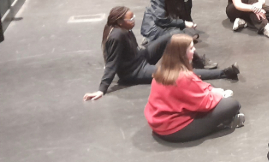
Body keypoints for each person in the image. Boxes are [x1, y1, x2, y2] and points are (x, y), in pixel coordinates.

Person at [83, 7, 240, 101]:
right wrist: (101, 90)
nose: (134, 20)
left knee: (172, 36)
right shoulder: (117, 36)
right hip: (135, 72)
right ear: (119, 21)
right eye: (130, 19)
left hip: (140, 57)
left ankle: (199, 63)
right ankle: (224, 73)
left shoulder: (124, 29)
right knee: (179, 73)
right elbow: (111, 64)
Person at [144, 34, 244, 142]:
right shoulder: (183, 77)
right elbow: (205, 104)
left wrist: (212, 91)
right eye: (191, 48)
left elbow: (197, 88)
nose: (194, 50)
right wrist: (220, 94)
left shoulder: (162, 70)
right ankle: (228, 119)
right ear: (182, 53)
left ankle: (227, 117)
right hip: (175, 129)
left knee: (211, 88)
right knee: (233, 104)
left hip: (159, 124)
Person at [141, 0, 217, 69]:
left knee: (190, 34)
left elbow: (186, 12)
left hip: (169, 21)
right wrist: (183, 24)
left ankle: (156, 40)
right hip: (155, 25)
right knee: (178, 36)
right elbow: (161, 20)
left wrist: (188, 24)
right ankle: (197, 61)